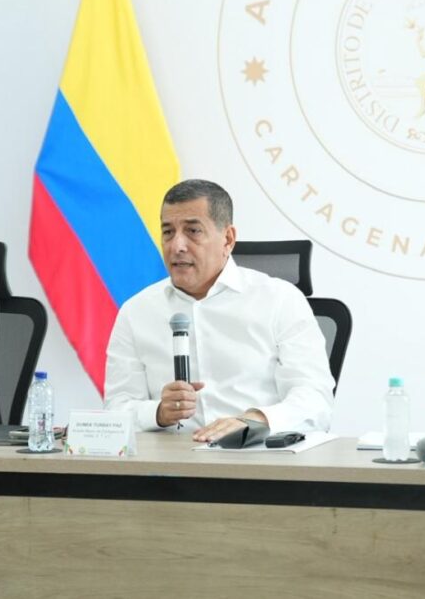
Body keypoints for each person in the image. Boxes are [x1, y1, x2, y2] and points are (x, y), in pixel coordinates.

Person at [103, 179, 334, 443]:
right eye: (168, 232)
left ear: (228, 238)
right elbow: (116, 410)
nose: (176, 245)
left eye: (193, 231)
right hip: (167, 472)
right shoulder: (136, 311)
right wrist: (156, 412)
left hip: (259, 463)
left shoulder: (280, 300)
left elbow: (316, 401)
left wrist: (254, 421)